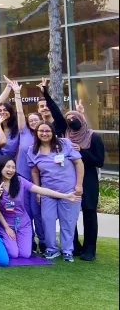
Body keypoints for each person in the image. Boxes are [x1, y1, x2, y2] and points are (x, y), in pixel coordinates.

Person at [0, 156, 78, 259]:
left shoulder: (20, 181)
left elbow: (42, 190)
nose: (11, 170)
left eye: (13, 167)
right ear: (0, 167)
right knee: (13, 254)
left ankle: (14, 240)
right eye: (8, 167)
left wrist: (65, 196)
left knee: (25, 254)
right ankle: (2, 241)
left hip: (22, 223)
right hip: (5, 223)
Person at [28, 123, 84, 261]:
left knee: (68, 221)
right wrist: (39, 191)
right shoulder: (33, 150)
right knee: (47, 220)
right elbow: (34, 171)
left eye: (47, 131)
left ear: (52, 132)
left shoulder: (64, 144)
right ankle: (51, 249)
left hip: (70, 191)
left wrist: (79, 185)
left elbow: (78, 163)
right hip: (48, 192)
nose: (44, 133)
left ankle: (67, 250)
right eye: (41, 131)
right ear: (36, 133)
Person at [67, 111, 105, 261]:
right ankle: (74, 246)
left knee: (89, 214)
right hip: (69, 180)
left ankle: (89, 249)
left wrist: (81, 151)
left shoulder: (93, 137)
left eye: (74, 118)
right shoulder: (66, 136)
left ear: (81, 119)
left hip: (88, 181)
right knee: (70, 215)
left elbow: (99, 161)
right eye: (68, 119)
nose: (71, 121)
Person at [15, 112, 46, 253]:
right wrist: (16, 93)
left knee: (37, 212)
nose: (33, 122)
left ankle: (43, 241)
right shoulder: (24, 132)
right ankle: (30, 240)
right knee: (25, 212)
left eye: (36, 120)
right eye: (31, 120)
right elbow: (20, 113)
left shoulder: (44, 135)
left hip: (38, 180)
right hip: (22, 178)